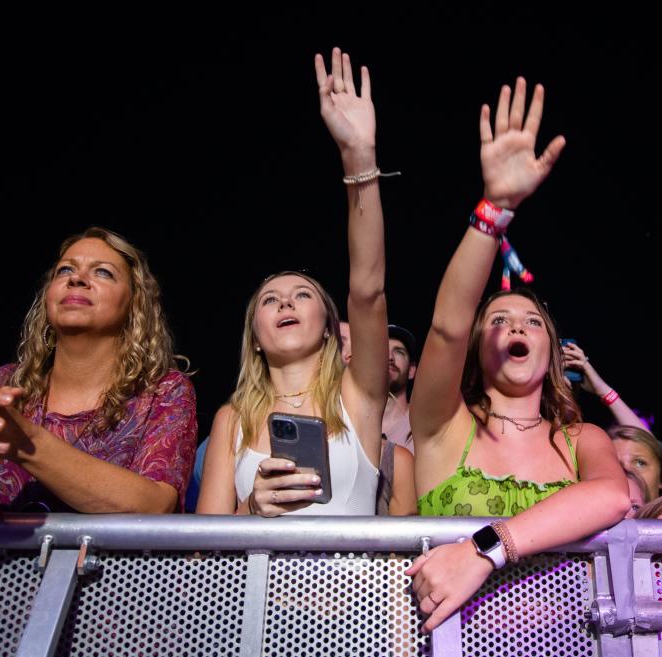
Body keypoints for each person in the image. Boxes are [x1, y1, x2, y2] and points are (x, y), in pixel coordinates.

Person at [406, 76, 630, 631]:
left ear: (550, 349)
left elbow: (611, 496)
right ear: (479, 346)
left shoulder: (582, 439)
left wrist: (487, 549)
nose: (516, 325)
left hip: (570, 638)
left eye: (532, 321)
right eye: (498, 319)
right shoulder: (443, 425)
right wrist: (494, 211)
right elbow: (445, 327)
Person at [197, 48, 389, 517]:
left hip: (348, 591)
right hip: (254, 591)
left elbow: (367, 290)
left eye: (302, 294)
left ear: (328, 325)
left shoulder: (357, 396)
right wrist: (251, 510)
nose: (285, 301)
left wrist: (358, 158)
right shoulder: (232, 421)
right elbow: (198, 553)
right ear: (255, 336)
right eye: (270, 300)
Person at [0, 227, 196, 512]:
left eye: (103, 272)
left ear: (135, 305)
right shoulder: (3, 384)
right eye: (65, 270)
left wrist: (27, 443)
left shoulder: (162, 393)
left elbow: (155, 505)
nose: (77, 279)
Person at [382, 324, 416, 452]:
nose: (390, 357)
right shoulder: (351, 422)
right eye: (382, 350)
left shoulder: (422, 425)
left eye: (399, 352)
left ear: (412, 370)